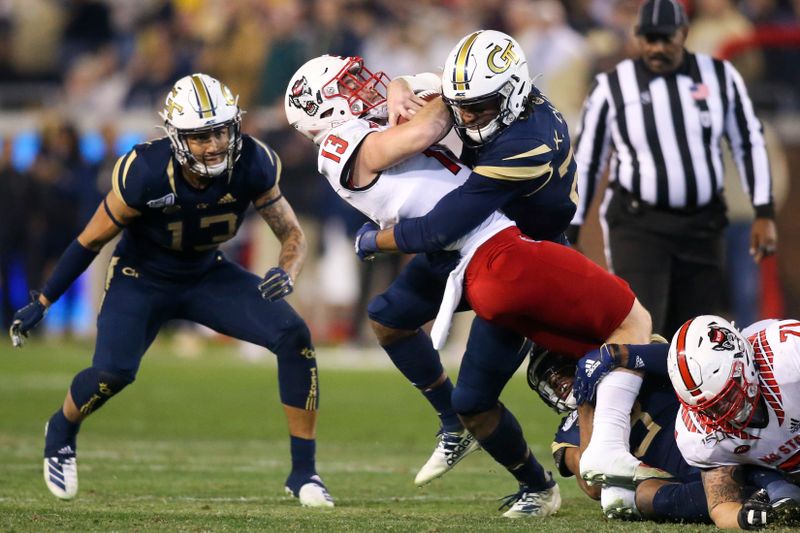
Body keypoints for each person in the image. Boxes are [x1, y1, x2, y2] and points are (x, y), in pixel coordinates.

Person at [285, 53, 653, 517]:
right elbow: (425, 133)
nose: (367, 85)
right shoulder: (339, 144)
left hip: (500, 245)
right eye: (350, 84)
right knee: (392, 322)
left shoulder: (523, 133)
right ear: (323, 109)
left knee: (474, 388)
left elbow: (436, 211)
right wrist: (426, 87)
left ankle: (597, 426)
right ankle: (489, 441)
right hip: (475, 249)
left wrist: (420, 87)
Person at [9, 73, 334, 508]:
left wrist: (287, 270)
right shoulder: (145, 172)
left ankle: (303, 472)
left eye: (221, 130)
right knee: (113, 373)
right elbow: (90, 240)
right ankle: (62, 429)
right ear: (177, 137)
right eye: (201, 136)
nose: (215, 144)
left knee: (294, 335)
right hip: (141, 277)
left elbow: (292, 233)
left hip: (206, 273)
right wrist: (44, 300)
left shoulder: (253, 161)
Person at [566, 0, 778, 339]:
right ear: (638, 37)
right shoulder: (613, 86)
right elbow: (589, 159)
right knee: (644, 326)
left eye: (666, 38)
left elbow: (748, 141)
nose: (657, 47)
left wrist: (763, 210)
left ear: (684, 34)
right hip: (639, 225)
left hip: (702, 225)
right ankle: (643, 393)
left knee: (702, 336)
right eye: (649, 38)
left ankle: (690, 395)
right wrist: (573, 225)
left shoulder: (719, 76)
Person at [533, 343, 800, 526]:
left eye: (563, 369)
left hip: (718, 444)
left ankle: (777, 490)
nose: (559, 381)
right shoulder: (569, 429)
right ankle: (765, 501)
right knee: (621, 498)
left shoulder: (630, 369)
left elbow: (679, 356)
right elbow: (592, 485)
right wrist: (586, 404)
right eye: (550, 380)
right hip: (679, 476)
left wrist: (623, 355)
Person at [667, 315, 800, 529]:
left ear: (744, 362)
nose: (724, 413)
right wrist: (746, 518)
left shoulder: (789, 351)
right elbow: (721, 505)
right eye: (709, 408)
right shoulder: (696, 433)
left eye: (728, 395)